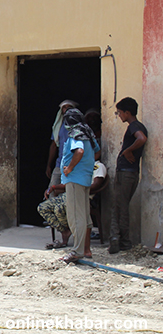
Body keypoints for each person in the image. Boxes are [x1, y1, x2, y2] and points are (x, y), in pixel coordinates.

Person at [58, 108, 101, 263]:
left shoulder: (75, 134)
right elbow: (96, 151)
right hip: (85, 178)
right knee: (85, 216)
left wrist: (69, 168)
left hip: (75, 179)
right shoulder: (88, 134)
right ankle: (86, 250)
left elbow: (79, 151)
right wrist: (86, 167)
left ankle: (77, 251)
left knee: (76, 217)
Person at [39, 158, 107, 249]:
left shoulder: (98, 166)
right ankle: (65, 231)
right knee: (42, 207)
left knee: (59, 208)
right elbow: (68, 183)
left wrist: (79, 189)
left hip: (82, 197)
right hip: (68, 194)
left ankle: (69, 233)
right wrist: (54, 187)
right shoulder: (80, 165)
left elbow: (96, 184)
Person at [109, 96, 147, 254]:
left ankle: (121, 241)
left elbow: (141, 139)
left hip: (126, 173)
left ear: (127, 112)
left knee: (119, 207)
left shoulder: (134, 126)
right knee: (121, 207)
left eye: (119, 113)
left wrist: (127, 150)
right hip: (130, 173)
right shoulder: (138, 126)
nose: (119, 116)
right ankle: (121, 241)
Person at [46, 100, 78, 187]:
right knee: (52, 191)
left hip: (75, 166)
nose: (67, 109)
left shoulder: (79, 127)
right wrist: (49, 165)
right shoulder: (58, 126)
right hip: (60, 164)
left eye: (69, 107)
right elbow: (54, 145)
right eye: (64, 107)